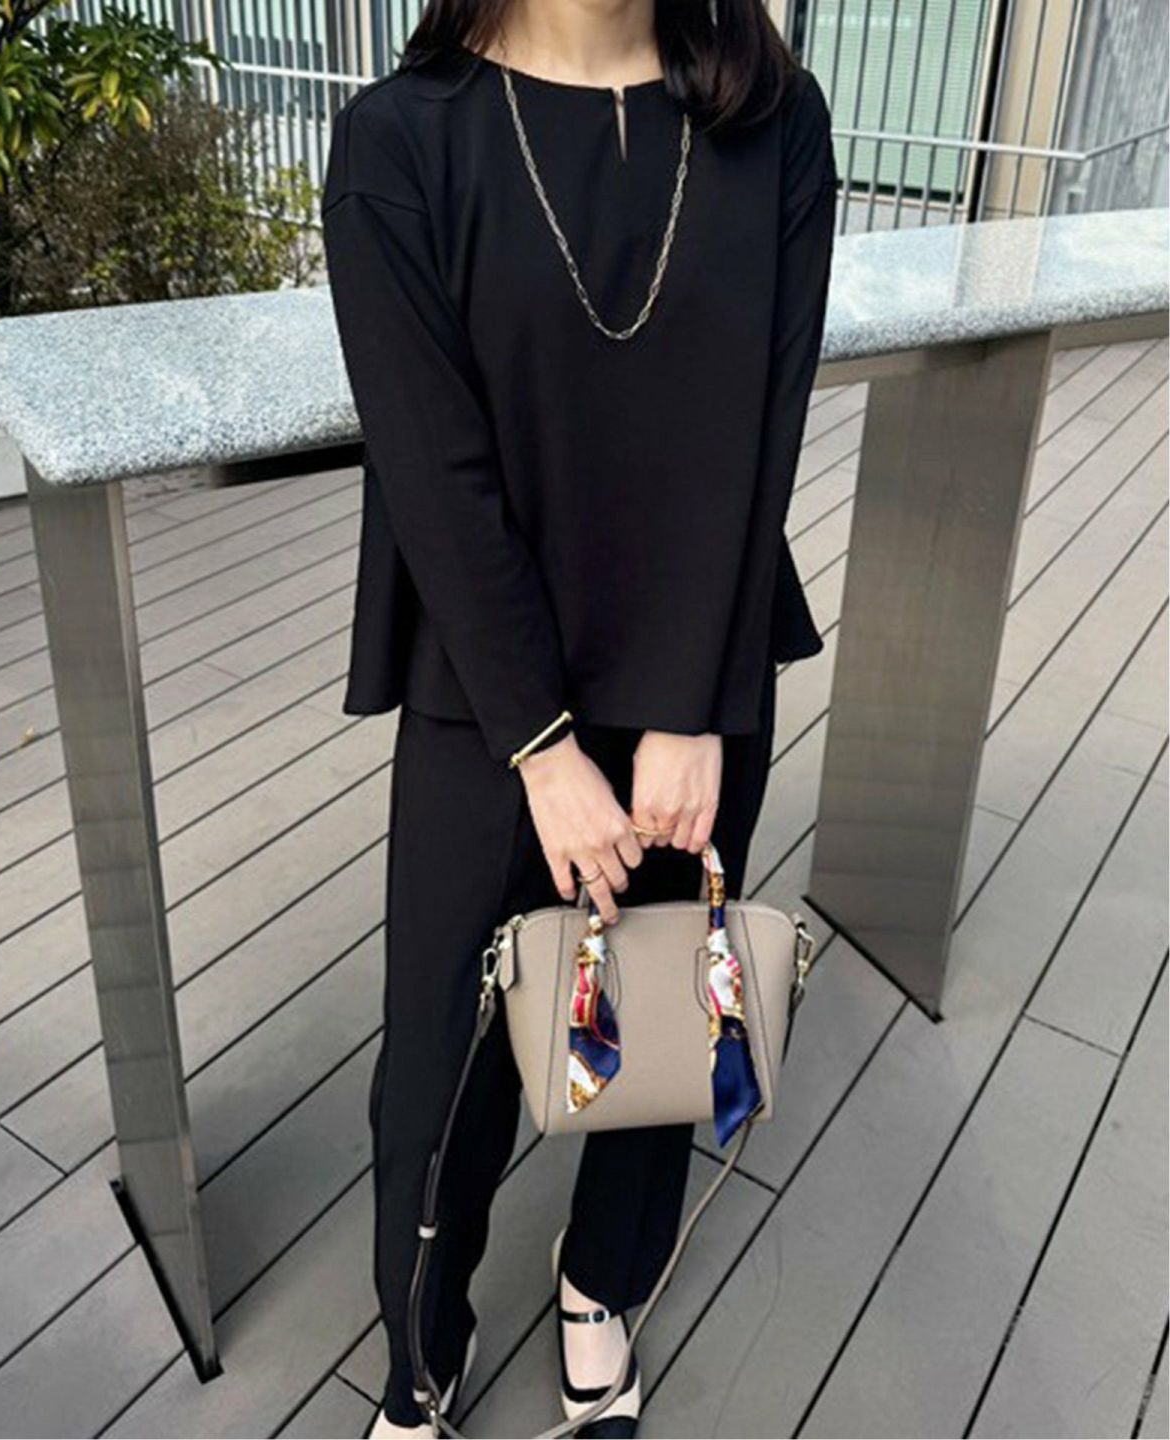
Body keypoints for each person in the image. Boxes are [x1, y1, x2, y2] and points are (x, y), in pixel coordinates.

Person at [321, 0, 837, 1430]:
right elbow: (432, 470)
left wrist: (693, 701)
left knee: (662, 1020)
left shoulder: (772, 121)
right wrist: (545, 748)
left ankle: (601, 1280)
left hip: (701, 684)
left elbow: (769, 425)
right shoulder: (398, 142)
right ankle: (421, 1347)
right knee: (439, 1065)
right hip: (490, 695)